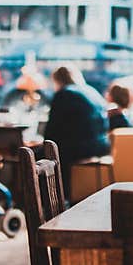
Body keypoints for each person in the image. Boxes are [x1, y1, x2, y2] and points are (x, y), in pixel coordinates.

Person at [43, 65, 110, 199]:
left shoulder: (64, 93)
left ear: (58, 80)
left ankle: (52, 199)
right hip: (101, 145)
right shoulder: (91, 91)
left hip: (82, 148)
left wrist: (42, 144)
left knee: (44, 156)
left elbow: (52, 130)